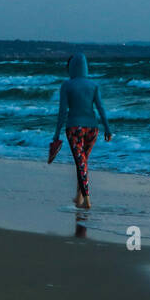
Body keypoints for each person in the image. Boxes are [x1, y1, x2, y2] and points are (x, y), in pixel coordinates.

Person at [51, 53, 111, 209]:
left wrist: (56, 134)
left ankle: (87, 200)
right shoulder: (93, 85)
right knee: (83, 161)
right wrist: (108, 129)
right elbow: (101, 108)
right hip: (93, 129)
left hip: (74, 128)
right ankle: (78, 197)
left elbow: (62, 112)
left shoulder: (67, 85)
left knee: (80, 162)